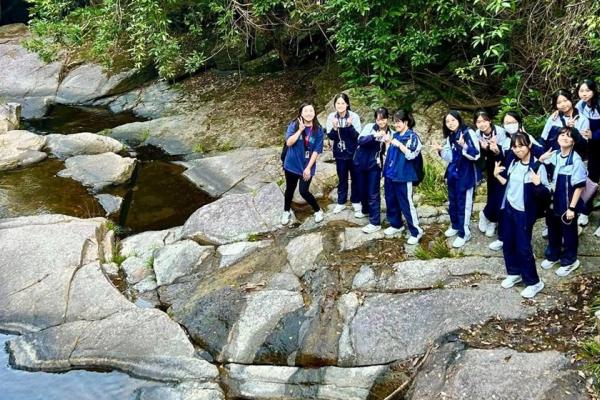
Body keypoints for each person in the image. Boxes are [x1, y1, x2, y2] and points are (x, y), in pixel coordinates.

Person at [494, 132, 550, 298]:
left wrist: (538, 185)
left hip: (524, 213)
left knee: (523, 247)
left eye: (521, 146)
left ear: (529, 146)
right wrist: (496, 175)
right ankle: (514, 273)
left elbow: (547, 194)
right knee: (508, 243)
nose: (518, 150)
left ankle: (534, 282)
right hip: (509, 209)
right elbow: (509, 185)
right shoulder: (514, 163)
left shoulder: (537, 167)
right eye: (515, 147)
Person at [488, 111, 545, 251]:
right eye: (507, 123)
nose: (510, 125)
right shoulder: (504, 139)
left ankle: (524, 247)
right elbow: (503, 159)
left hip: (523, 180)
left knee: (521, 216)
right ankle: (503, 238)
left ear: (519, 122)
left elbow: (541, 154)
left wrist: (529, 143)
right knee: (503, 210)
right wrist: (496, 152)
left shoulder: (526, 137)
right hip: (506, 179)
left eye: (513, 122)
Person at [538, 127, 587, 276]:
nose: (564, 137)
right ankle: (553, 255)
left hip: (567, 203)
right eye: (562, 134)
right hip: (553, 201)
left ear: (574, 141)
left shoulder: (576, 160)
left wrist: (572, 208)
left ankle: (570, 261)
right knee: (553, 229)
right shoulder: (554, 155)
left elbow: (579, 187)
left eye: (569, 136)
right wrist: (541, 159)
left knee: (569, 233)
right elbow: (543, 171)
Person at [433, 110, 480, 248]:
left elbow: (476, 155)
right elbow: (450, 158)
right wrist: (440, 150)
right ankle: (455, 225)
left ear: (459, 120)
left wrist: (464, 145)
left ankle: (464, 233)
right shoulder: (451, 136)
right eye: (447, 121)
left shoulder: (468, 133)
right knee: (453, 202)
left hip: (466, 176)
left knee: (463, 205)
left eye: (453, 120)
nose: (450, 123)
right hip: (453, 174)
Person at [382, 110, 423, 244]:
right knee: (391, 200)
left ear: (406, 122)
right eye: (395, 122)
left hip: (403, 175)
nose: (396, 125)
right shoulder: (395, 135)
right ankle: (396, 225)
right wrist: (388, 143)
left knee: (406, 203)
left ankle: (416, 231)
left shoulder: (412, 137)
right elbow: (389, 154)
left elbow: (411, 154)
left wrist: (399, 144)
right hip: (390, 174)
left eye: (398, 122)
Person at [281, 102, 324, 225]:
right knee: (290, 189)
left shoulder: (318, 129)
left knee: (303, 191)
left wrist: (308, 168)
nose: (308, 113)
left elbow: (316, 150)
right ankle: (286, 211)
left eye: (311, 111)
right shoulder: (294, 125)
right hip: (292, 164)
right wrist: (300, 130)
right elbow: (289, 142)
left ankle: (318, 210)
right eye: (306, 111)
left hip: (307, 165)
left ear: (314, 113)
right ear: (301, 113)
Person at [354, 107, 390, 234]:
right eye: (379, 119)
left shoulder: (390, 133)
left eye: (383, 119)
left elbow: (387, 151)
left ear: (387, 119)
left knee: (373, 193)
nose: (381, 122)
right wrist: (374, 135)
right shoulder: (370, 127)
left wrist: (387, 141)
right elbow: (360, 141)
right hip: (360, 162)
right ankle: (365, 210)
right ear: (375, 119)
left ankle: (375, 223)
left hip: (374, 165)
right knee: (361, 190)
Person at [326, 93, 362, 214]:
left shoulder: (354, 116)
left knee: (355, 178)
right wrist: (335, 128)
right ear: (334, 105)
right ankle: (341, 202)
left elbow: (357, 136)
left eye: (343, 103)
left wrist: (349, 126)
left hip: (353, 153)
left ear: (347, 104)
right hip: (339, 153)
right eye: (338, 103)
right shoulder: (331, 117)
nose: (340, 105)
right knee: (342, 178)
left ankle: (356, 201)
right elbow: (331, 136)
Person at [474, 109, 507, 238]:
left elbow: (505, 150)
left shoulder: (500, 132)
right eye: (478, 122)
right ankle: (490, 218)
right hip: (490, 164)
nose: (482, 124)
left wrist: (493, 148)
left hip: (502, 162)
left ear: (490, 121)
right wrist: (485, 149)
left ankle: (488, 216)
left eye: (484, 121)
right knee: (492, 191)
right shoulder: (477, 134)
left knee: (500, 192)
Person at [574, 78, 600, 233]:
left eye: (587, 91)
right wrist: (557, 112)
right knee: (591, 180)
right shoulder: (581, 105)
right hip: (593, 149)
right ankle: (585, 210)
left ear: (594, 91)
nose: (584, 94)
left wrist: (594, 135)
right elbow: (570, 112)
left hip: (596, 140)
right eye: (581, 91)